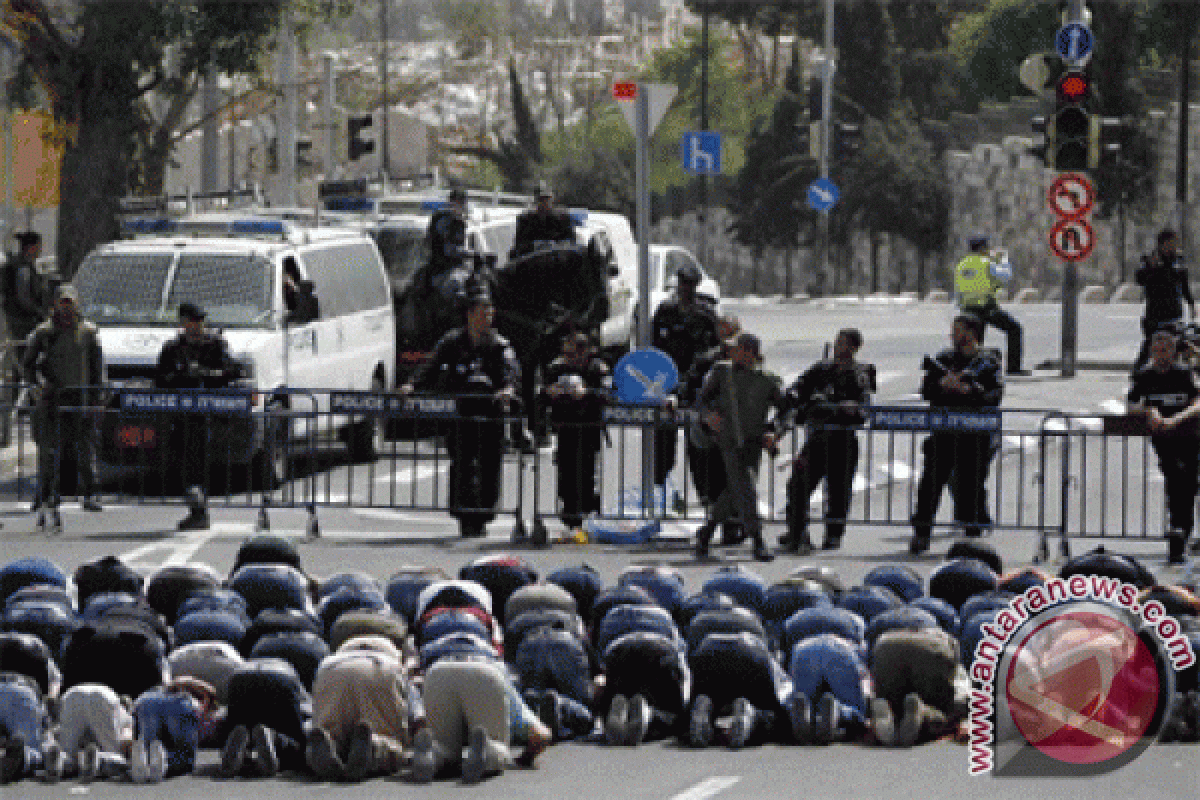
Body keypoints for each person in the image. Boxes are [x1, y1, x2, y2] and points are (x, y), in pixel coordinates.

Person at [399, 285, 519, 538]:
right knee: (462, 465)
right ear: (469, 314)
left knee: (489, 466)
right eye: (481, 312)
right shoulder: (452, 342)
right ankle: (464, 515)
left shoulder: (499, 345)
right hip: (461, 415)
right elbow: (430, 366)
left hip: (489, 415)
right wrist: (412, 384)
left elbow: (511, 372)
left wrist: (508, 388)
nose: (486, 317)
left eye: (489, 312)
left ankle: (484, 515)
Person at [909, 314, 1004, 555]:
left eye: (958, 330)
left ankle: (972, 540)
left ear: (972, 333)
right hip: (943, 434)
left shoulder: (988, 361)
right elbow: (926, 391)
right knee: (930, 484)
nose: (953, 335)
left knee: (971, 485)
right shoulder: (943, 359)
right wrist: (943, 385)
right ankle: (921, 533)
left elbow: (994, 396)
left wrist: (966, 391)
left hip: (974, 435)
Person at [693, 333, 786, 563]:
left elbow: (787, 410)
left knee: (736, 491)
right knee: (747, 488)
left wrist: (775, 431)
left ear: (749, 353)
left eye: (737, 348)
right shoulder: (721, 372)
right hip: (729, 441)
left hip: (753, 443)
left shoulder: (768, 380)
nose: (731, 351)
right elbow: (701, 400)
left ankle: (707, 531)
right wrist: (708, 416)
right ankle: (758, 540)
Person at [780, 328, 875, 554]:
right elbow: (799, 387)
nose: (837, 346)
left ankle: (833, 534)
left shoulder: (861, 372)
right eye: (836, 341)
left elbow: (862, 407)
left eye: (842, 343)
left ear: (853, 347)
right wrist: (795, 396)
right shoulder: (821, 369)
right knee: (798, 484)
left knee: (838, 490)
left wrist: (838, 408)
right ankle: (796, 531)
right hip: (817, 439)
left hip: (842, 440)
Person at [22, 284, 105, 527]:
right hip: (52, 400)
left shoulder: (88, 332)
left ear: (76, 304)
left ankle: (90, 494)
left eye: (70, 302)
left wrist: (96, 396)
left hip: (80, 398)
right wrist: (36, 387)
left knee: (85, 450)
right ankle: (45, 495)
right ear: (56, 304)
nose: (66, 307)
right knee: (48, 451)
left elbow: (97, 368)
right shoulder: (44, 332)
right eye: (62, 302)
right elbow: (28, 365)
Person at [155, 302, 241, 531]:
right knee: (180, 462)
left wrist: (206, 373)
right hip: (180, 414)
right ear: (183, 322)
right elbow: (160, 378)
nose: (197, 326)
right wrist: (179, 375)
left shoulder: (215, 344)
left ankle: (200, 512)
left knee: (199, 462)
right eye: (192, 321)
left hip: (208, 414)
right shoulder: (173, 347)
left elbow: (233, 369)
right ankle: (196, 510)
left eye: (200, 321)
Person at [1127, 328, 1200, 564]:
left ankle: (1182, 531)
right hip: (1164, 441)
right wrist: (1149, 411)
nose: (1161, 355)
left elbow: (1197, 402)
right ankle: (1179, 531)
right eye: (1157, 351)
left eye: (1166, 350)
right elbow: (1131, 404)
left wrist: (1175, 420)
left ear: (1173, 351)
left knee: (1187, 484)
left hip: (1189, 436)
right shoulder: (1145, 376)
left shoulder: (1184, 373)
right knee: (1176, 482)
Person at [651, 261, 720, 510]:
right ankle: (660, 490)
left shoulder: (705, 313)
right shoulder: (665, 310)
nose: (685, 290)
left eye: (690, 285)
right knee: (663, 444)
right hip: (668, 384)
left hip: (695, 387)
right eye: (682, 284)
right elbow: (654, 346)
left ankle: (704, 494)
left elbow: (716, 346)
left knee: (698, 447)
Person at [541, 332, 612, 532]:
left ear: (586, 352)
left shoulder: (597, 368)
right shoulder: (556, 368)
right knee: (566, 472)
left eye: (575, 353)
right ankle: (570, 514)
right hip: (565, 427)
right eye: (567, 353)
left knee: (587, 472)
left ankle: (589, 513)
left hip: (589, 428)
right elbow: (542, 395)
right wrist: (550, 392)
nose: (570, 358)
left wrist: (586, 393)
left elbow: (607, 394)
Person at [682, 314, 740, 543]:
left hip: (738, 430)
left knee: (735, 479)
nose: (727, 339)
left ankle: (734, 525)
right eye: (723, 333)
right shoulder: (706, 361)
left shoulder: (748, 360)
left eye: (731, 333)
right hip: (709, 429)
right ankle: (717, 523)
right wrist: (705, 415)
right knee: (711, 479)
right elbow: (690, 390)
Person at [954, 235, 1027, 376]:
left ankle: (968, 371)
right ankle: (1013, 368)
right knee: (1014, 329)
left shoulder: (961, 264)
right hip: (986, 307)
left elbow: (957, 289)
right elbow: (1006, 275)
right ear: (983, 248)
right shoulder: (986, 263)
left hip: (967, 308)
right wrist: (1003, 259)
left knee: (975, 341)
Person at [1136, 228, 1195, 369]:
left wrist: (1191, 304)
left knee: (1180, 347)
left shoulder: (1179, 260)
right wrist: (1152, 267)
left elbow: (1184, 284)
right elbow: (1140, 279)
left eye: (1176, 242)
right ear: (1162, 244)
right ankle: (1138, 375)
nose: (1175, 246)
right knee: (1151, 346)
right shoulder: (1149, 259)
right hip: (1155, 316)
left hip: (1174, 313)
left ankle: (1182, 378)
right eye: (1172, 242)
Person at [3, 231, 44, 387]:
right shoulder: (23, 268)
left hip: (18, 322)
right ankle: (25, 400)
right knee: (25, 362)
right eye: (39, 246)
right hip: (24, 324)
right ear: (32, 247)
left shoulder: (22, 265)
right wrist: (39, 313)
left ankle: (20, 399)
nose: (40, 250)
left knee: (19, 362)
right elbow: (24, 298)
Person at [510, 182, 576, 259]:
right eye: (541, 200)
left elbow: (572, 242)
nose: (544, 203)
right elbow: (519, 244)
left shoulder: (563, 218)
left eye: (547, 199)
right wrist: (536, 245)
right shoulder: (526, 219)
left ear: (552, 200)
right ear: (536, 201)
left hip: (556, 260)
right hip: (532, 260)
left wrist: (556, 245)